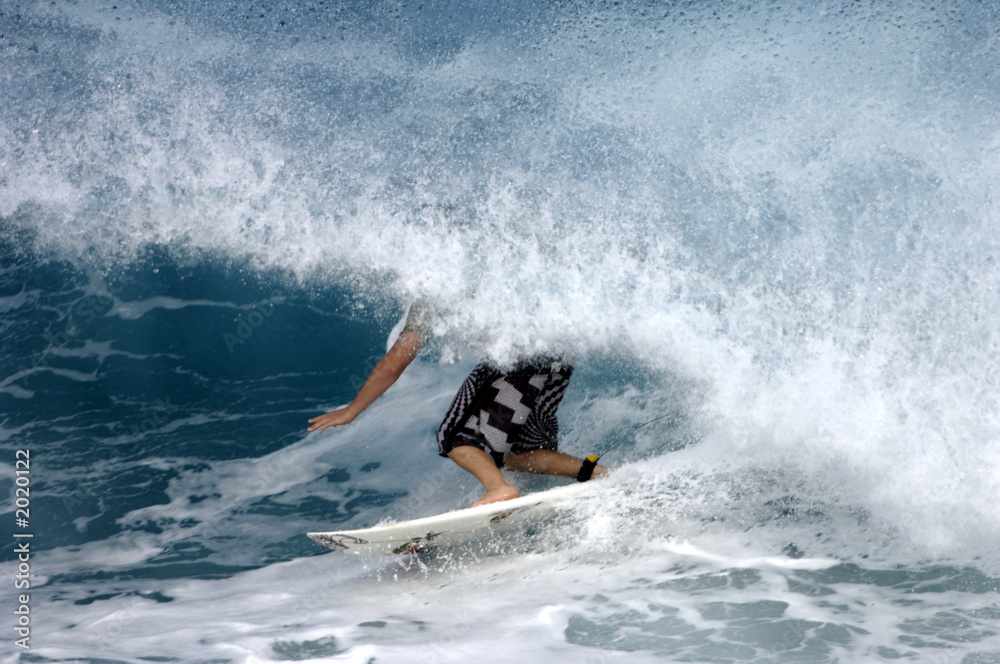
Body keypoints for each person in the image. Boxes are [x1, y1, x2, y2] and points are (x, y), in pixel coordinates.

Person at [307, 302, 608, 506]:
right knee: (518, 450)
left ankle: (499, 489)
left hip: (523, 356)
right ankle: (596, 473)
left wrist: (351, 410)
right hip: (560, 355)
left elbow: (393, 365)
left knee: (456, 438)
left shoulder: (435, 284)